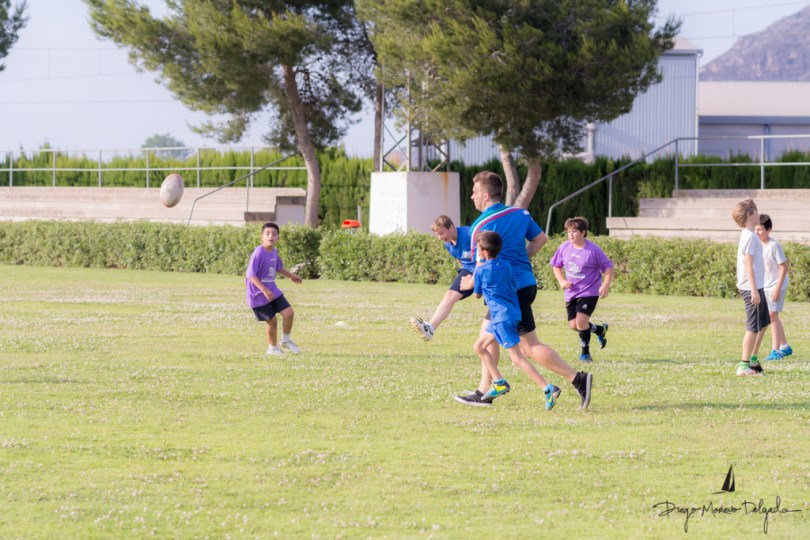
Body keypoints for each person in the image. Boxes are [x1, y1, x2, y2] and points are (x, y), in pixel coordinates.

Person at [455, 171, 593, 410]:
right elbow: (540, 239)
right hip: (524, 283)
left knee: (528, 347)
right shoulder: (519, 214)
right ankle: (484, 392)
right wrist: (521, 260)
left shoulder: (479, 226)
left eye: (475, 192)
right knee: (486, 337)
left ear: (485, 196)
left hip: (508, 293)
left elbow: (480, 266)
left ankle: (577, 379)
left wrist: (469, 285)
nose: (472, 197)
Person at [455, 230, 561, 409]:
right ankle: (498, 381)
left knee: (517, 358)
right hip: (509, 313)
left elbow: (477, 295)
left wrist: (467, 283)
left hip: (501, 318)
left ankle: (547, 387)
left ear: (485, 252)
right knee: (479, 346)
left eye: (478, 249)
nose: (477, 251)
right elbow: (512, 285)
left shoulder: (481, 271)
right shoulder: (506, 265)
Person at [550, 216, 613, 363]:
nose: (571, 235)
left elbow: (608, 267)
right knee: (574, 325)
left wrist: (605, 285)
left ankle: (585, 354)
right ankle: (599, 330)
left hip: (589, 291)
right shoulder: (564, 247)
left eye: (575, 231)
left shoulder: (593, 250)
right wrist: (562, 280)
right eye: (569, 232)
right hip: (571, 292)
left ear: (584, 232)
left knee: (581, 322)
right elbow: (556, 265)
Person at [410, 215, 475, 341]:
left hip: (483, 270)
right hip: (468, 271)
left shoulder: (469, 234)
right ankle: (430, 328)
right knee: (450, 295)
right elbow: (460, 259)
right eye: (437, 235)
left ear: (451, 227)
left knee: (496, 309)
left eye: (442, 233)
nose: (440, 238)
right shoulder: (448, 245)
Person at [246, 222, 303, 355]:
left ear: (278, 238)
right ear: (262, 237)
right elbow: (250, 275)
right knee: (272, 321)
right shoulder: (259, 252)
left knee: (289, 313)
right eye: (267, 233)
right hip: (258, 293)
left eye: (274, 234)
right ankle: (272, 348)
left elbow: (278, 267)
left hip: (272, 290)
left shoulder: (274, 252)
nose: (271, 236)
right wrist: (264, 290)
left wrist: (291, 276)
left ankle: (286, 340)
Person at [732, 199, 768, 376]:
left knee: (764, 322)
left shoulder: (750, 234)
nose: (758, 214)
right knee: (753, 326)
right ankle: (744, 366)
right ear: (749, 214)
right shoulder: (750, 236)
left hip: (757, 286)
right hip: (750, 287)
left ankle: (753, 361)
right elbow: (748, 263)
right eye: (756, 211)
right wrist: (754, 290)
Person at [755, 213, 793, 361]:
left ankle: (775, 351)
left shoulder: (774, 245)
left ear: (769, 229)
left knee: (772, 316)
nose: (757, 233)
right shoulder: (758, 245)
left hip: (777, 285)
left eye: (760, 230)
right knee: (773, 316)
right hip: (765, 285)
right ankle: (785, 346)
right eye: (756, 229)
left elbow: (783, 267)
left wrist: (777, 288)